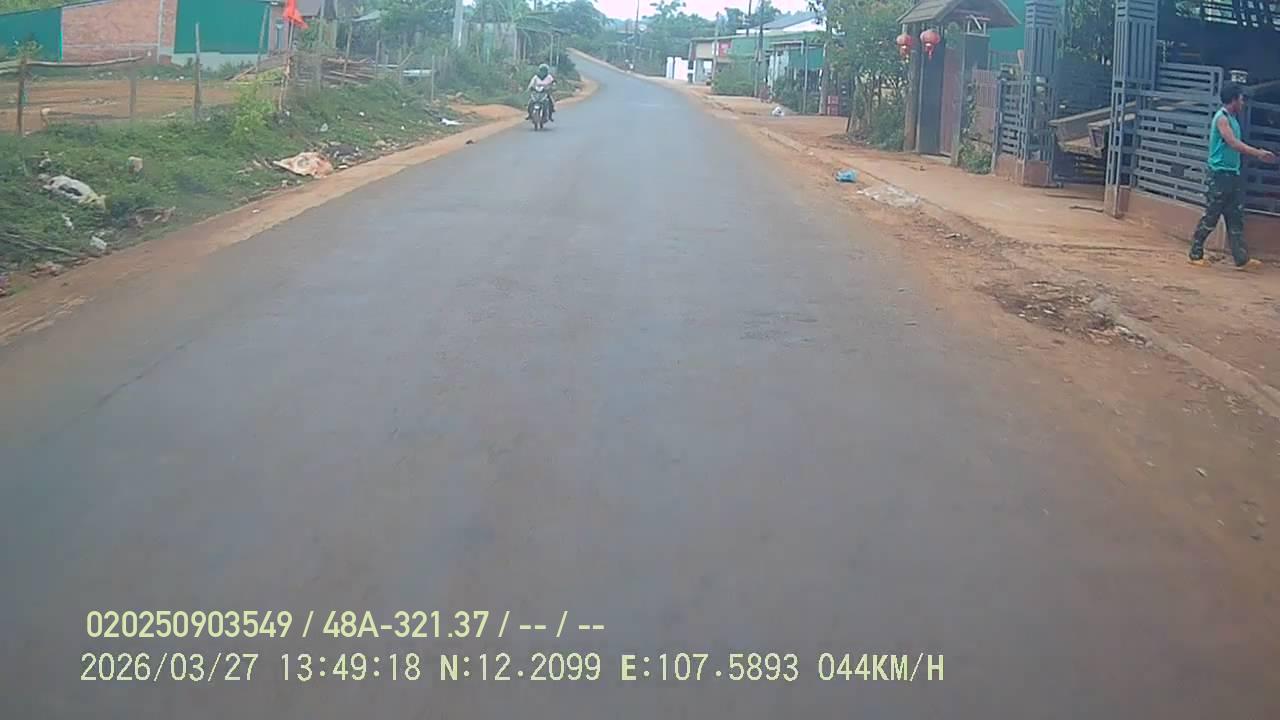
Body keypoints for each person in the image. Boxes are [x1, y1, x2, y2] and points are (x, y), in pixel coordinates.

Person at [1188, 83, 1277, 270]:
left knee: (1235, 218)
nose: (1243, 103)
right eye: (1241, 99)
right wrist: (1258, 153)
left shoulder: (1233, 119)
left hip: (1232, 173)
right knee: (1211, 216)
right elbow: (1233, 143)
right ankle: (1195, 253)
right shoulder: (1222, 119)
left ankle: (1241, 258)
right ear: (1234, 99)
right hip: (1219, 175)